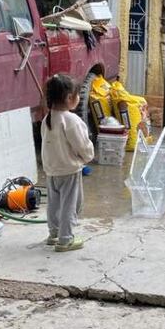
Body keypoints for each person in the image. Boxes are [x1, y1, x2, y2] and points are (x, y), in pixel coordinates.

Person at [41, 74, 96, 252]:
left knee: (54, 204)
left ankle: (54, 234)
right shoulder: (72, 120)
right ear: (69, 98)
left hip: (52, 170)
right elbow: (83, 146)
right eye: (77, 95)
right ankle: (65, 239)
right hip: (69, 171)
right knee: (70, 205)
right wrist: (87, 157)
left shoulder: (48, 119)